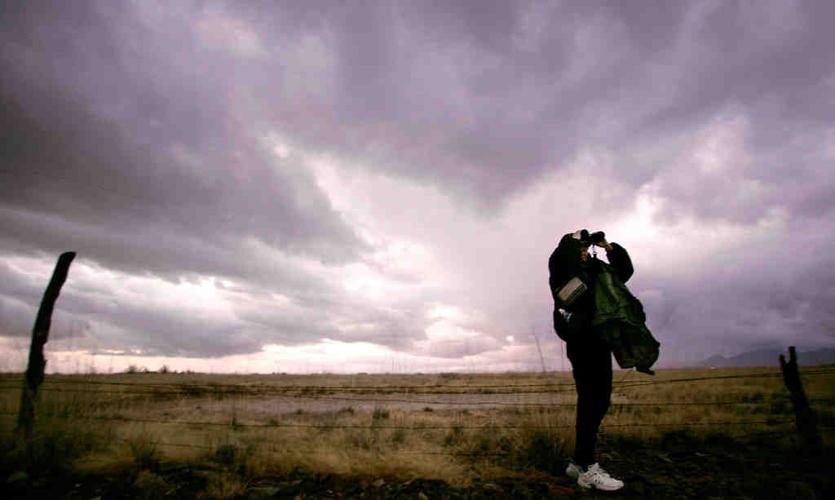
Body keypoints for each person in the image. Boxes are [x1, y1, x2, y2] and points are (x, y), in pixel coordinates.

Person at [548, 229, 633, 491]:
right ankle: (587, 467)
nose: (584, 250)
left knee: (599, 400)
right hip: (582, 342)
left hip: (600, 339)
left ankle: (578, 462)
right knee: (591, 400)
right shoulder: (562, 269)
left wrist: (608, 247)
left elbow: (624, 272)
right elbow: (565, 263)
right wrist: (572, 241)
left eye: (586, 247)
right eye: (581, 248)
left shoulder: (593, 269)